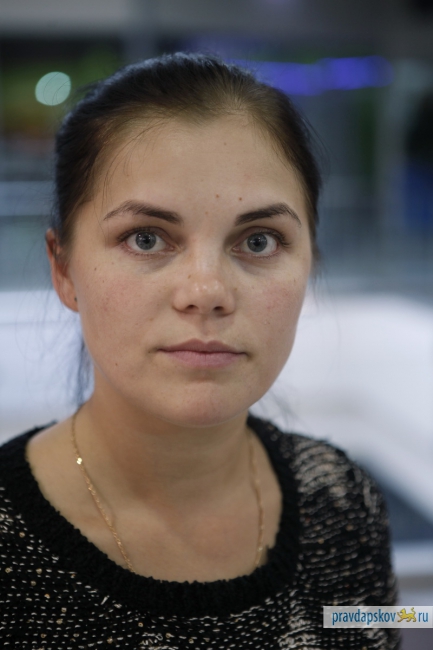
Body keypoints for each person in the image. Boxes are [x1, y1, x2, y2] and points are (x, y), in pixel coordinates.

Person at [0, 52, 400, 649]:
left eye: (259, 241)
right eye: (146, 239)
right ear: (64, 270)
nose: (206, 292)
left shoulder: (343, 502)